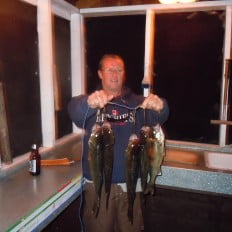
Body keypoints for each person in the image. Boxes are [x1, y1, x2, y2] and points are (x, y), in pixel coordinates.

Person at [68, 54, 169, 232]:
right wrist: (88, 103)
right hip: (97, 185)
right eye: (110, 69)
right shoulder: (92, 102)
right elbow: (74, 110)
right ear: (100, 74)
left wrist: (160, 105)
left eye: (119, 70)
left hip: (130, 185)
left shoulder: (138, 103)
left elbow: (161, 115)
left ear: (124, 74)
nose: (115, 74)